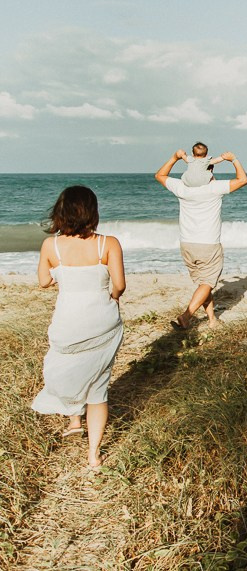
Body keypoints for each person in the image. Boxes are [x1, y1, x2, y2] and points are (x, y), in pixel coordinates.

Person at [32, 186, 125, 471]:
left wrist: (63, 277)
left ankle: (74, 420)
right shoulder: (107, 243)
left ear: (60, 212)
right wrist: (111, 298)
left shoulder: (51, 246)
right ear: (92, 212)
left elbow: (44, 282)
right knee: (98, 386)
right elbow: (119, 285)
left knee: (70, 369)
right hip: (102, 321)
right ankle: (94, 456)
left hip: (68, 322)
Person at [155, 148, 247, 330]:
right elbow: (243, 180)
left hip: (186, 245)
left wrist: (174, 158)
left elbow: (159, 175)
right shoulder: (214, 188)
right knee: (207, 283)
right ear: (210, 171)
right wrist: (234, 159)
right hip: (208, 245)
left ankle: (212, 319)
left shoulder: (182, 188)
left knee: (203, 285)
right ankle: (186, 316)